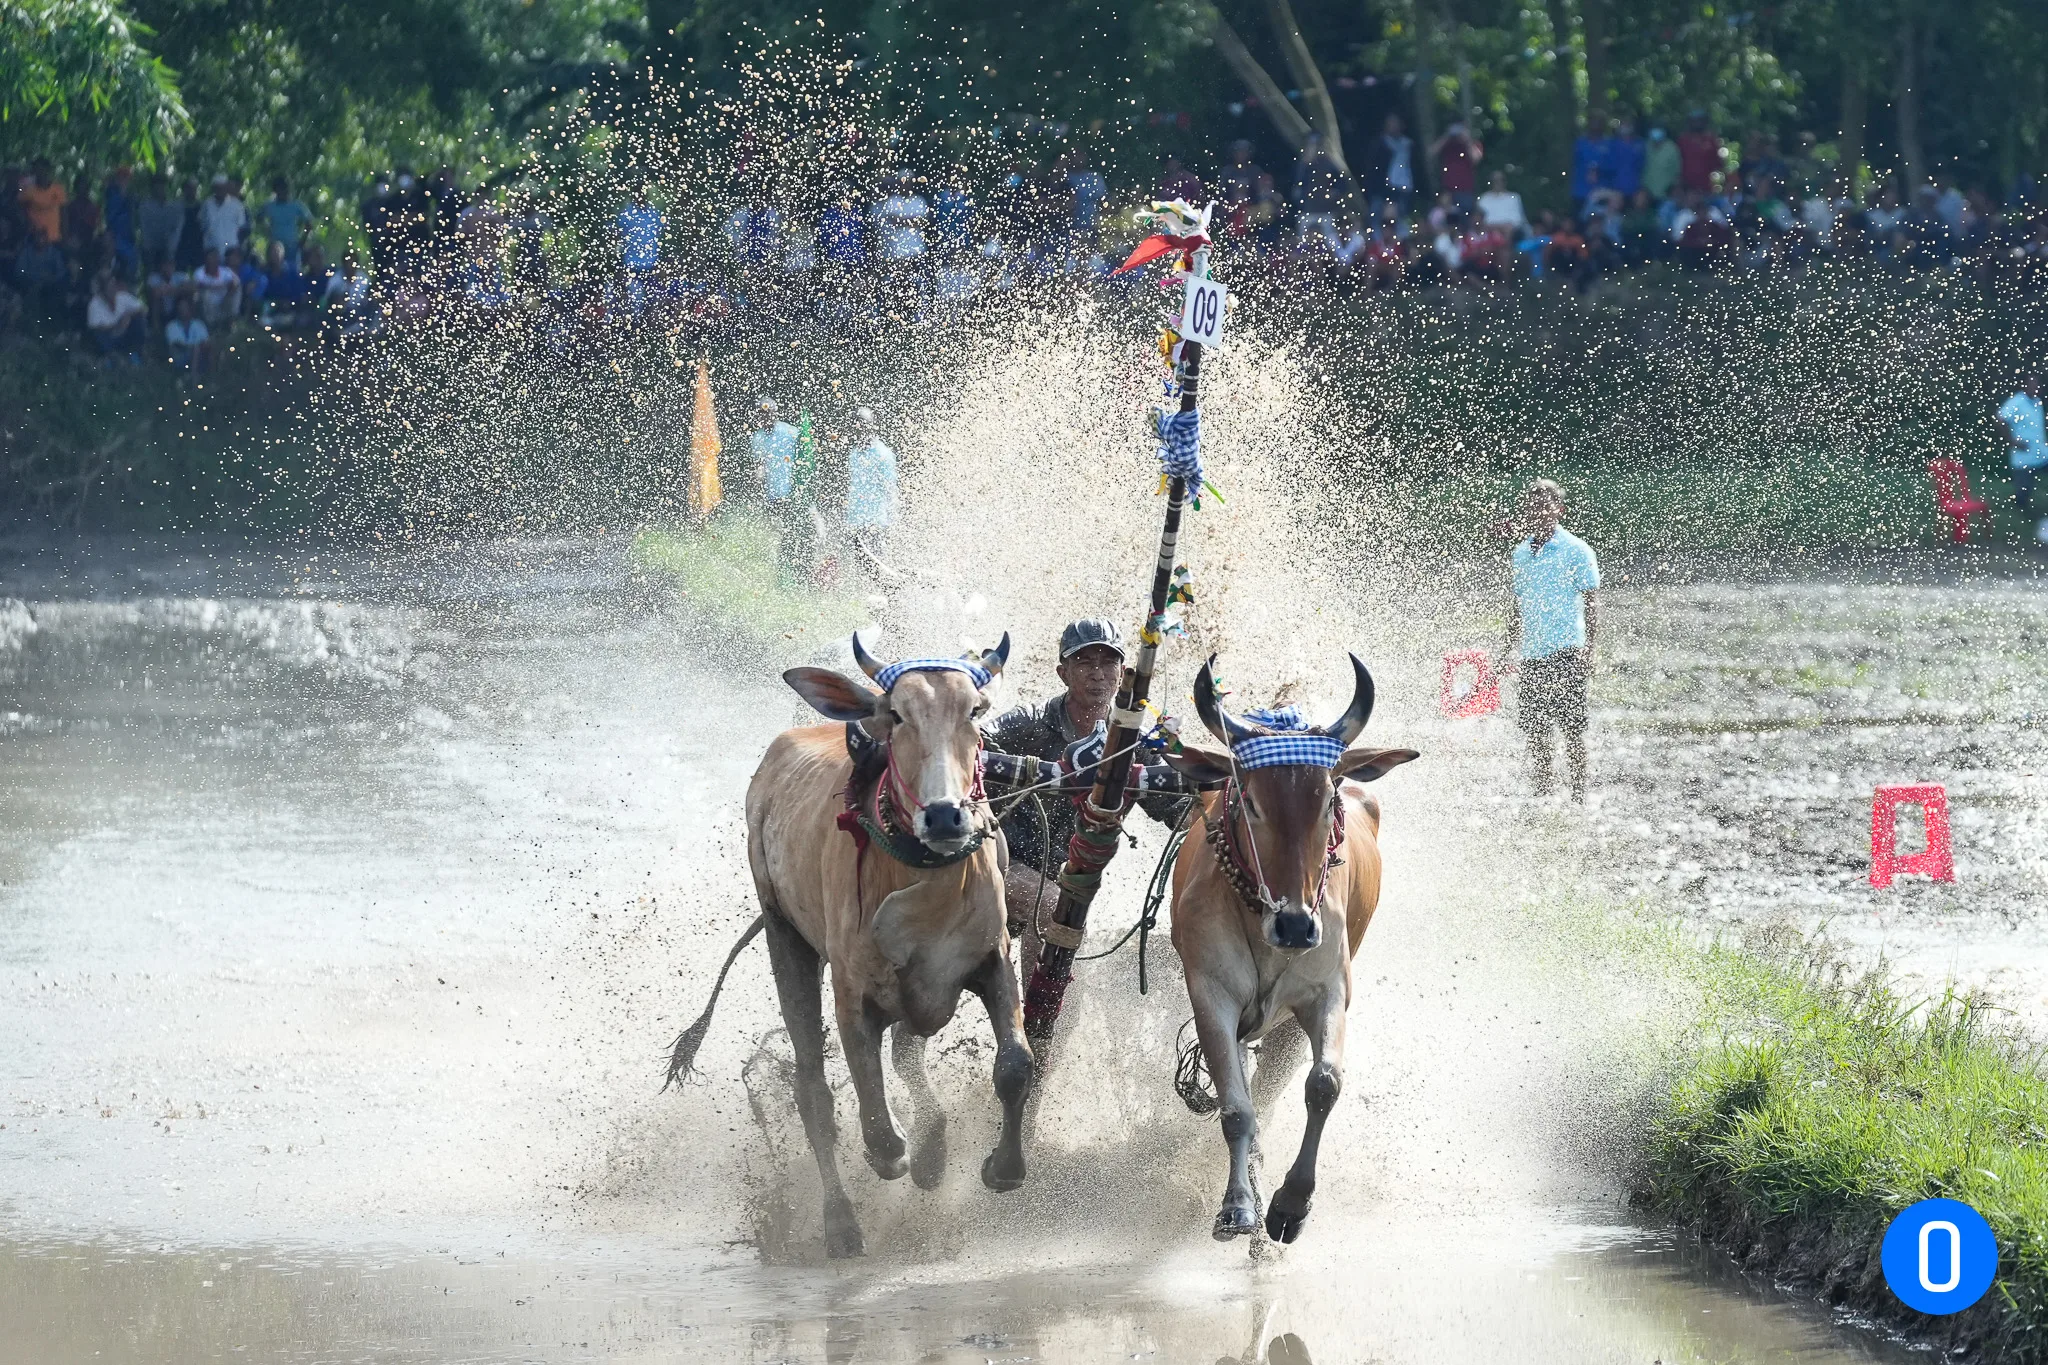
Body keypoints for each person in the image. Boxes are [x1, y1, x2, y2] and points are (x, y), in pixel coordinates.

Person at [982, 618, 1188, 987]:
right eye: (1084, 663)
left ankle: (1056, 1036)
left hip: (1072, 877)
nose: (1097, 674)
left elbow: (1178, 811)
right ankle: (1038, 1029)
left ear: (1123, 674)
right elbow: (976, 742)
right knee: (1051, 907)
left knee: (1066, 918)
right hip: (1002, 860)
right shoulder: (1029, 723)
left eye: (1107, 663)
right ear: (1064, 673)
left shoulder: (1136, 744)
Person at [1501, 480, 1601, 802]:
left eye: (1546, 506)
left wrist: (1590, 649)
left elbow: (1591, 602)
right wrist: (1508, 649)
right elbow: (1517, 606)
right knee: (1537, 732)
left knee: (1573, 730)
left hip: (1567, 650)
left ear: (1560, 510)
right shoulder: (1521, 554)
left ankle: (1579, 797)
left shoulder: (1577, 550)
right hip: (1532, 655)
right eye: (1533, 507)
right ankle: (1543, 795)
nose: (1539, 512)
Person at [842, 406, 898, 564]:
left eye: (864, 425)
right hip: (857, 520)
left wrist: (892, 520)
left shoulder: (883, 454)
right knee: (861, 566)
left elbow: (890, 489)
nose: (860, 430)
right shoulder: (854, 453)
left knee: (878, 563)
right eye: (857, 426)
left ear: (871, 426)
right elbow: (854, 487)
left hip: (876, 521)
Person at [1997, 375, 2048, 525]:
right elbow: (2000, 419)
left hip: (2041, 453)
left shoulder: (2037, 402)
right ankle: (2020, 520)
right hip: (2023, 455)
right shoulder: (2017, 402)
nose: (2035, 388)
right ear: (2024, 385)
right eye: (2032, 384)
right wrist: (2011, 441)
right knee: (2023, 491)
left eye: (2037, 385)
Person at [85, 271, 147, 364]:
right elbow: (95, 327)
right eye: (109, 288)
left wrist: (128, 316)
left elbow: (143, 309)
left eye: (114, 286)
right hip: (109, 336)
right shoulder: (94, 304)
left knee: (139, 321)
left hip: (124, 333)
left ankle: (138, 352)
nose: (113, 290)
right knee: (99, 337)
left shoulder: (122, 296)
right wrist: (118, 325)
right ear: (102, 290)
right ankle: (111, 356)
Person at [254, 176, 313, 271]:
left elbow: (309, 223)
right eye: (279, 189)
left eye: (284, 189)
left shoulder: (296, 205)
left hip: (292, 245)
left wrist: (303, 240)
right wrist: (267, 230)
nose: (282, 192)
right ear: (275, 191)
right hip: (275, 247)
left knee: (293, 271)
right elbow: (259, 218)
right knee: (275, 271)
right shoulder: (270, 206)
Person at [1366, 114, 1416, 224]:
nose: (1393, 126)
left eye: (1395, 123)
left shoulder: (1408, 145)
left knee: (1401, 220)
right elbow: (1373, 169)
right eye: (1390, 123)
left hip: (1403, 188)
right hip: (1381, 189)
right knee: (1377, 219)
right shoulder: (1380, 144)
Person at [1432, 122, 1483, 214]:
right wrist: (1447, 136)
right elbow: (1432, 152)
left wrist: (1467, 140)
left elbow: (1476, 159)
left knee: (1466, 217)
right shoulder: (1447, 144)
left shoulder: (1472, 144)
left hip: (1466, 190)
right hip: (1448, 191)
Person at [137, 173, 183, 273]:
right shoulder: (145, 206)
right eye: (157, 185)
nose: (160, 188)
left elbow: (176, 228)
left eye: (162, 185)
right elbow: (144, 229)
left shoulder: (173, 207)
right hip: (150, 250)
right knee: (151, 279)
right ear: (152, 187)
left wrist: (171, 247)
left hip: (168, 250)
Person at [17, 158, 67, 251]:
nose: (39, 172)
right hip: (34, 237)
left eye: (42, 169)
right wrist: (28, 224)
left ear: (48, 170)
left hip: (54, 237)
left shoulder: (58, 189)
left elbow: (63, 214)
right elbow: (20, 209)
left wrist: (65, 236)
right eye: (37, 169)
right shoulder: (28, 191)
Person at [197, 174, 249, 258]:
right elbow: (201, 224)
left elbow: (241, 227)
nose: (220, 191)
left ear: (227, 188)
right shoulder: (207, 204)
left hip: (230, 248)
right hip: (211, 248)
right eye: (217, 188)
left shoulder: (237, 205)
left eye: (222, 188)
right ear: (213, 189)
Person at [191, 246, 240, 327]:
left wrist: (227, 293)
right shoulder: (199, 272)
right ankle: (210, 324)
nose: (213, 260)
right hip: (207, 303)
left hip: (224, 301)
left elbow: (235, 283)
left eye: (215, 257)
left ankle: (231, 321)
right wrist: (219, 286)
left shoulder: (226, 271)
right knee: (205, 294)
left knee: (237, 292)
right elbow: (198, 286)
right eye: (210, 257)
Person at [1477, 169, 1529, 239]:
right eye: (1495, 180)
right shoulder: (1483, 198)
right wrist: (1497, 227)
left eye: (1500, 180)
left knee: (1508, 231)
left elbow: (1517, 220)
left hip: (1509, 231)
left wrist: (1503, 227)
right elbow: (1480, 220)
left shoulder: (1513, 197)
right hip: (1489, 230)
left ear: (1505, 182)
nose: (1498, 183)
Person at [164, 293, 209, 371]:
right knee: (195, 350)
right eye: (181, 307)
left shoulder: (199, 324)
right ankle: (194, 379)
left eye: (185, 307)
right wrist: (192, 348)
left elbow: (205, 342)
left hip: (200, 356)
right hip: (180, 357)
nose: (183, 310)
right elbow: (176, 345)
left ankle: (213, 376)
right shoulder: (171, 326)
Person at [1642, 127, 1680, 202]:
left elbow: (1677, 171)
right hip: (1647, 193)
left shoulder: (1672, 148)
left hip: (1666, 193)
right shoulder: (1645, 146)